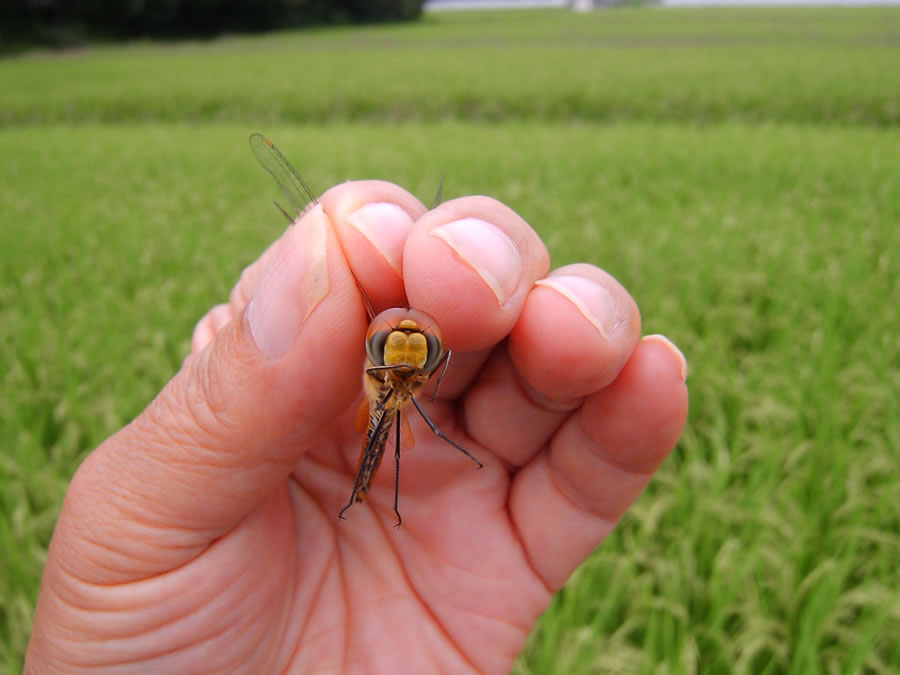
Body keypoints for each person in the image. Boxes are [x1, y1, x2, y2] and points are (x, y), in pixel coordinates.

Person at [25, 181, 688, 672]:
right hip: (367, 414)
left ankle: (382, 476)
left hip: (399, 406)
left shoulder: (413, 377)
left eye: (416, 348)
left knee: (406, 430)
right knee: (390, 435)